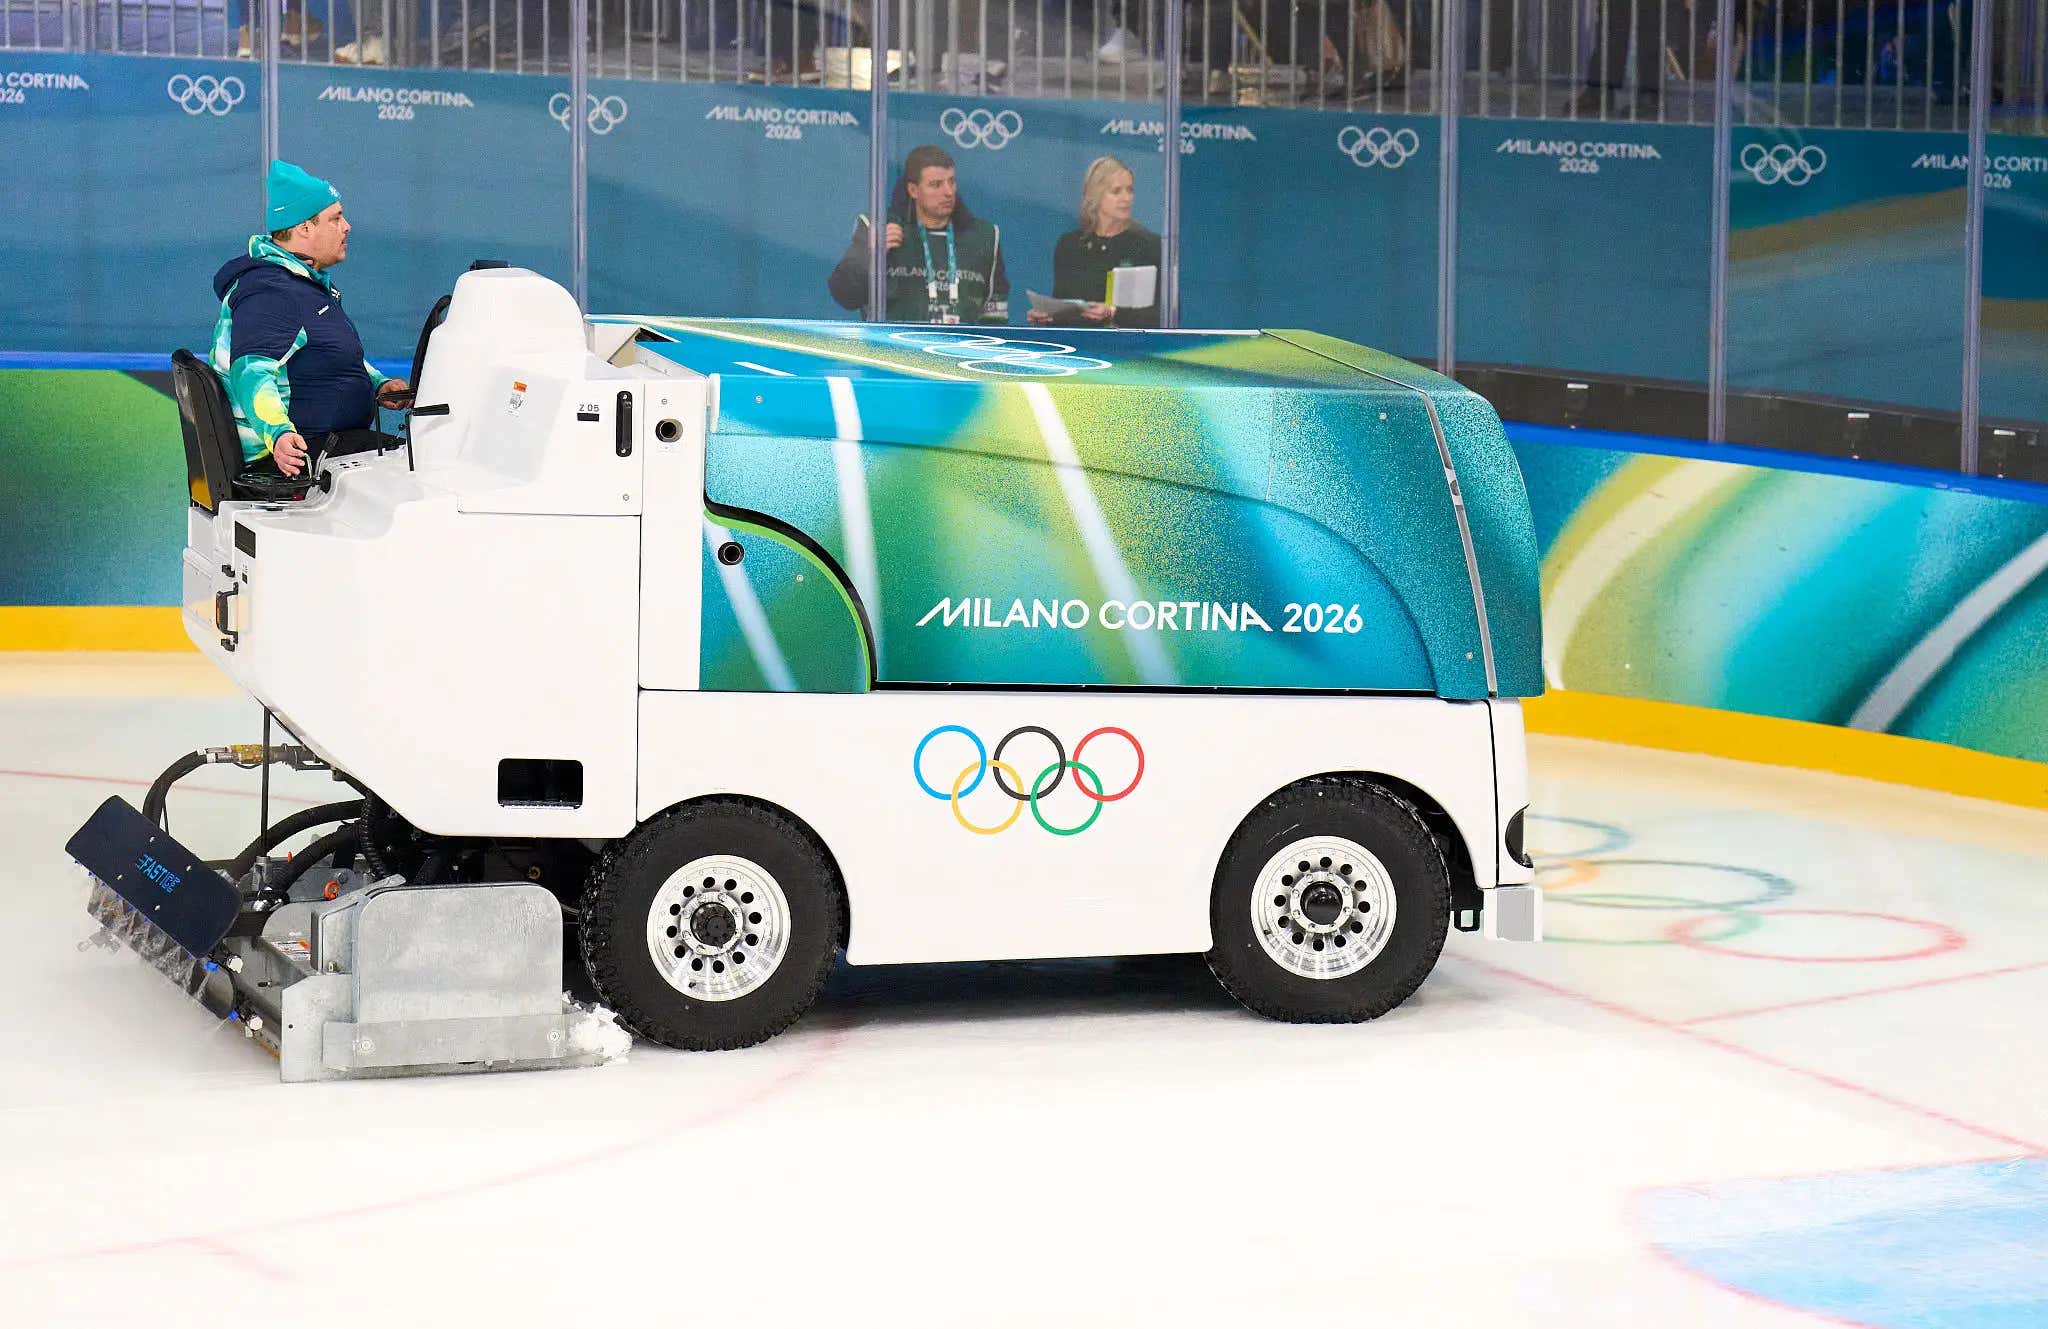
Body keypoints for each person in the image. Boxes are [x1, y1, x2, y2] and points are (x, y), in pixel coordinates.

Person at [210, 160, 409, 479]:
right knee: (418, 470)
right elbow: (251, 371)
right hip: (295, 454)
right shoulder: (271, 291)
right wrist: (278, 435)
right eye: (335, 218)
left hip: (329, 442)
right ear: (304, 228)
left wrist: (378, 385)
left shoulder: (301, 284)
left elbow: (326, 354)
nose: (347, 227)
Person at [828, 145, 1010, 325]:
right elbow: (845, 296)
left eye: (951, 182)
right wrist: (869, 255)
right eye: (936, 185)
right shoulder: (878, 228)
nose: (948, 192)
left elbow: (995, 316)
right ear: (913, 190)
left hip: (961, 351)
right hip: (895, 351)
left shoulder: (984, 236)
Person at [1028, 156, 1161, 329]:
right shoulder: (1070, 246)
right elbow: (1063, 309)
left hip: (1130, 350)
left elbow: (1165, 314)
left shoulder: (1149, 246)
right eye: (1116, 191)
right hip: (1079, 349)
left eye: (1130, 190)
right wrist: (1048, 317)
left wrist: (1114, 313)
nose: (1126, 198)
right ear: (1096, 195)